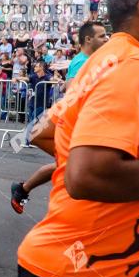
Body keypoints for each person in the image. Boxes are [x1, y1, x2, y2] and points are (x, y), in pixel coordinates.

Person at [8, 0, 139, 277]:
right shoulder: (133, 65)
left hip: (79, 273)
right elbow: (90, 172)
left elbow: (45, 131)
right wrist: (81, 164)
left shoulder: (101, 62)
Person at [10, 21, 108, 213]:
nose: (107, 39)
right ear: (88, 39)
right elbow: (73, 91)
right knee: (72, 165)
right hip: (64, 125)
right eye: (102, 36)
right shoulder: (83, 61)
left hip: (62, 125)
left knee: (66, 164)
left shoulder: (89, 60)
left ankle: (22, 190)